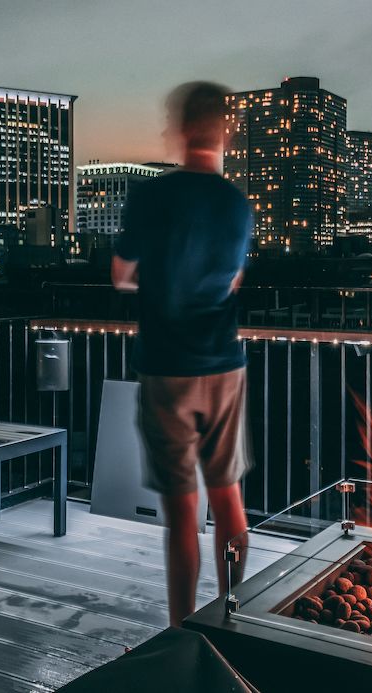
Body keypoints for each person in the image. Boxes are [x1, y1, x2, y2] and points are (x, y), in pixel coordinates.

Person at [111, 81, 254, 627]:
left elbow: (121, 275)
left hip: (166, 366)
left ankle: (181, 633)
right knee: (228, 501)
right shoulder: (237, 205)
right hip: (223, 365)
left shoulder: (152, 195)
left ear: (179, 129)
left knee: (182, 514)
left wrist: (160, 274)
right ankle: (234, 618)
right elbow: (233, 278)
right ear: (224, 131)